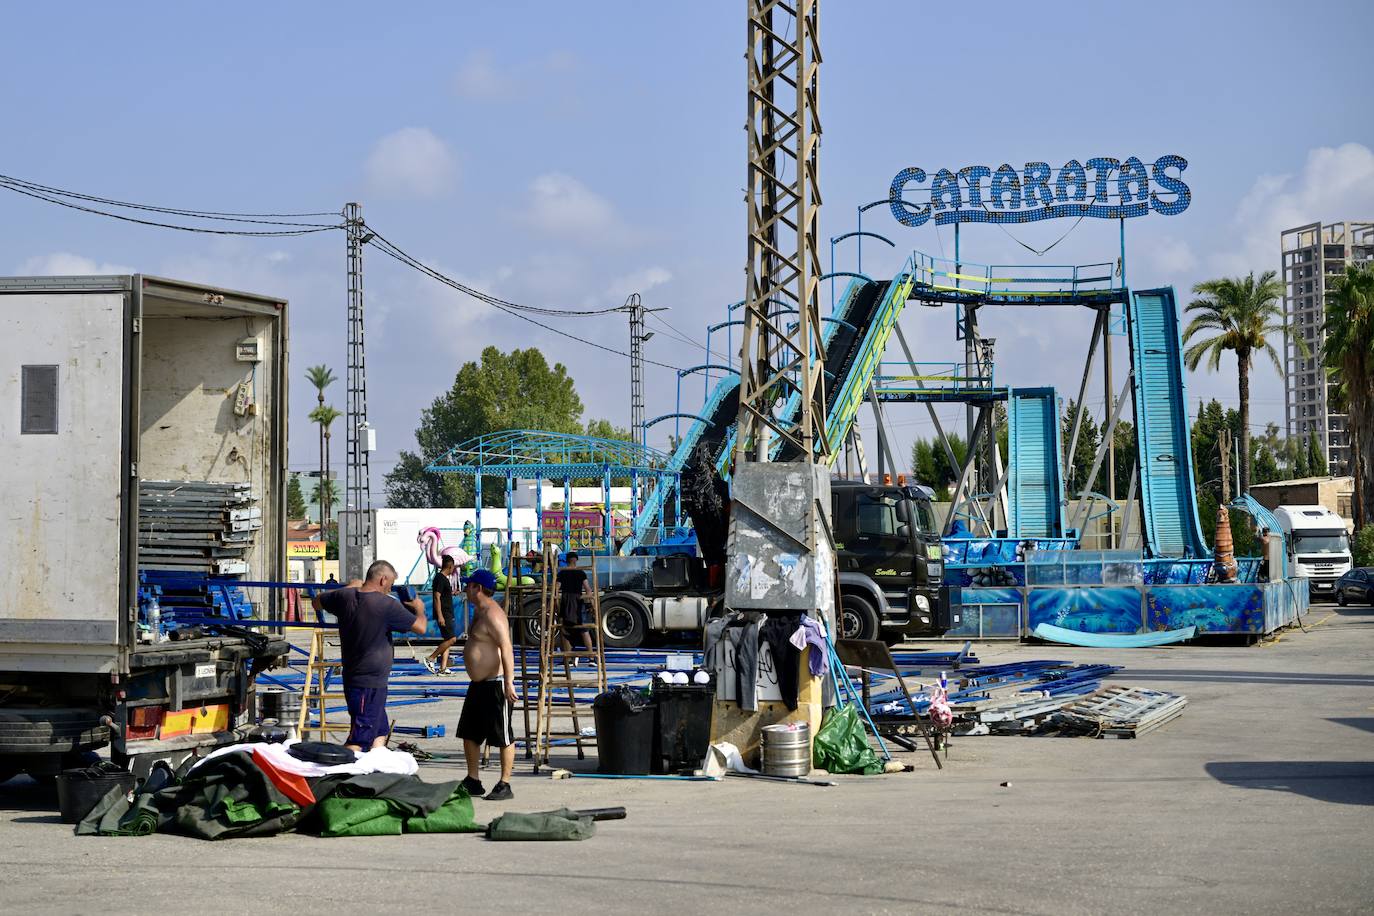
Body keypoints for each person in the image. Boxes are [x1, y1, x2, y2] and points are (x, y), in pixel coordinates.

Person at [311, 560, 426, 751]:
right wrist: (419, 608)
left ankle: (374, 769)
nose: (390, 589)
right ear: (383, 580)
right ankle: (343, 776)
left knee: (379, 731)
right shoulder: (387, 605)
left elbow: (317, 602)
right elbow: (421, 627)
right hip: (368, 683)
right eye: (390, 584)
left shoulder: (344, 597)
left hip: (359, 678)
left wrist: (350, 587)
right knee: (359, 739)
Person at [457, 568, 517, 801]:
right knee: (469, 733)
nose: (465, 589)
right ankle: (473, 780)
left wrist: (509, 683)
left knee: (502, 735)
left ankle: (505, 783)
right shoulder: (477, 612)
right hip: (478, 684)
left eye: (469, 585)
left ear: (478, 588)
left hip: (495, 684)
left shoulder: (494, 614)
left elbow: (507, 647)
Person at [556, 551, 594, 663]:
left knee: (565, 629)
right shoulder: (580, 573)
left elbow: (556, 588)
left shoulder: (562, 573)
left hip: (566, 601)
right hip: (578, 601)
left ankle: (568, 658)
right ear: (576, 560)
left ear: (566, 560)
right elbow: (588, 589)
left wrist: (553, 604)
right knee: (584, 629)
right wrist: (592, 604)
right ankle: (591, 657)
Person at [424, 555, 459, 674]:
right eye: (453, 566)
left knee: (447, 640)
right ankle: (431, 658)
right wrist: (440, 615)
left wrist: (452, 593)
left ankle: (443, 668)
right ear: (450, 566)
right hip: (444, 614)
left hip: (448, 612)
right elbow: (436, 596)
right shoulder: (440, 578)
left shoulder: (444, 579)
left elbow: (443, 595)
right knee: (452, 639)